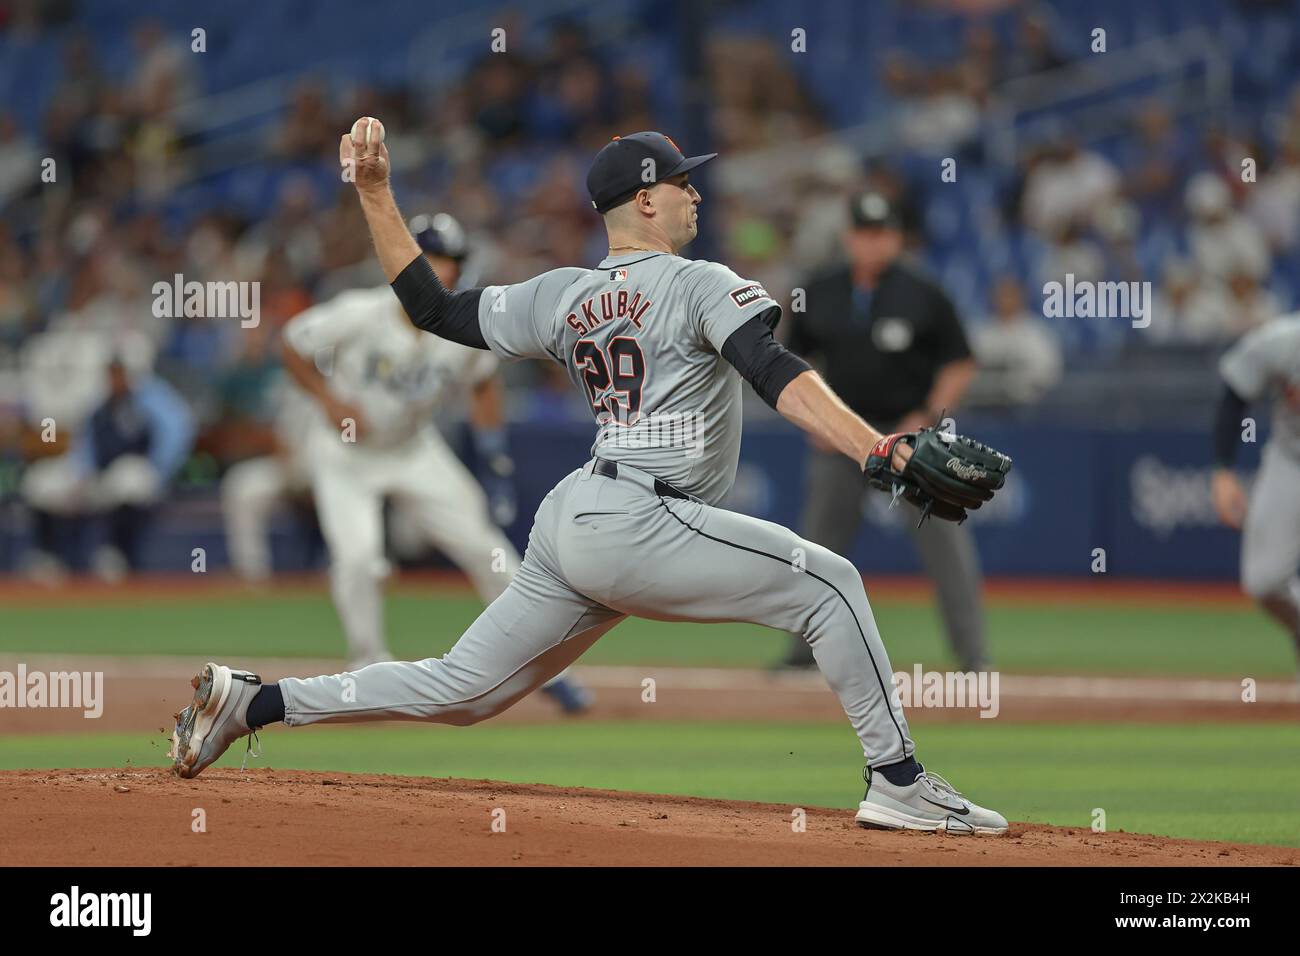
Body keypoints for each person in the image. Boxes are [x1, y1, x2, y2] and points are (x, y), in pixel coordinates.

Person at [170, 123, 1012, 835]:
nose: (696, 195)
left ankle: (255, 703)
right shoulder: (700, 282)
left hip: (577, 518)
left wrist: (376, 195)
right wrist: (878, 449)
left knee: (463, 691)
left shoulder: (562, 295)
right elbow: (773, 368)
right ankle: (898, 782)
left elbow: (431, 308)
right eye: (683, 184)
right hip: (646, 516)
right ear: (644, 200)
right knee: (830, 582)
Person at [268, 211, 589, 711]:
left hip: (414, 450)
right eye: (434, 259)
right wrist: (328, 399)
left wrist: (493, 455)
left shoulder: (457, 324)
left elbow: (483, 381)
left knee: (488, 551)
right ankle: (366, 665)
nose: (446, 271)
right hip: (347, 456)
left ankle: (544, 669)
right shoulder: (362, 311)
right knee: (358, 559)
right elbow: (290, 342)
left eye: (452, 261)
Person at [776, 192, 989, 672]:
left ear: (896, 237)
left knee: (946, 550)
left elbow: (959, 362)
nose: (873, 243)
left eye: (883, 234)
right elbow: (792, 359)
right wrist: (816, 417)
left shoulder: (924, 290)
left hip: (910, 439)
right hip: (842, 436)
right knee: (814, 550)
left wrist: (927, 415)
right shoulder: (821, 288)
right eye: (864, 233)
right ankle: (799, 656)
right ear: (849, 237)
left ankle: (974, 658)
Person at [22, 357, 194, 580]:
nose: (115, 379)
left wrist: (160, 470)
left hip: (141, 474)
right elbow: (83, 445)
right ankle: (49, 558)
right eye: (111, 374)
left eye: (120, 373)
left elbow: (176, 434)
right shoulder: (99, 404)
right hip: (99, 476)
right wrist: (83, 474)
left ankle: (116, 554)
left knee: (128, 477)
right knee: (43, 482)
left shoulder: (150, 400)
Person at [1211, 313, 1300, 671]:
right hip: (1291, 461)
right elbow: (1235, 391)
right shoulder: (1284, 341)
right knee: (1263, 581)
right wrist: (1222, 472)